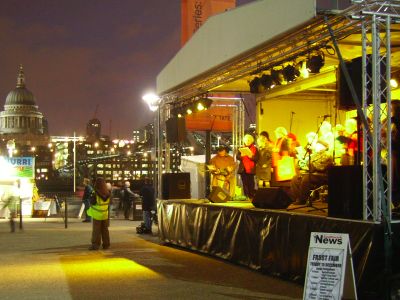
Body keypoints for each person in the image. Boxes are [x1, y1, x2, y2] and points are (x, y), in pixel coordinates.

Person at [87, 177, 111, 250]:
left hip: (97, 214)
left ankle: (95, 245)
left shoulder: (95, 193)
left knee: (96, 230)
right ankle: (106, 245)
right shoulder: (108, 192)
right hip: (105, 214)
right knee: (105, 230)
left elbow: (92, 202)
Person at [237, 134, 259, 200]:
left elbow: (257, 158)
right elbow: (237, 157)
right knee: (244, 183)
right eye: (246, 140)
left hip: (250, 169)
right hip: (243, 169)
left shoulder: (255, 149)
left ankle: (251, 196)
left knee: (251, 183)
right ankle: (246, 196)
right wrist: (241, 156)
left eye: (248, 140)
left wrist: (251, 157)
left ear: (251, 141)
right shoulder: (241, 148)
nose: (247, 141)